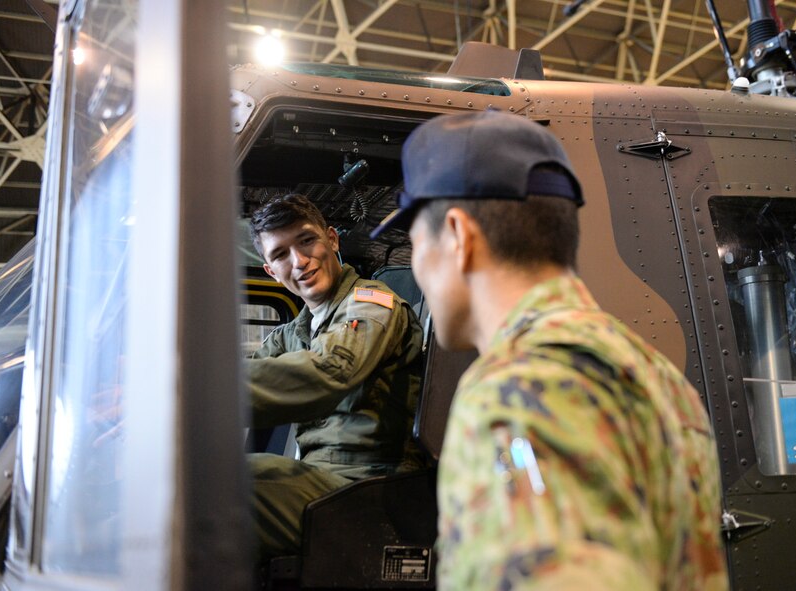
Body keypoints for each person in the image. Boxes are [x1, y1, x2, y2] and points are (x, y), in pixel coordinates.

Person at [371, 110, 728, 590]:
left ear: (458, 236)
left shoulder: (519, 388)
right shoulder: (655, 375)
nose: (415, 268)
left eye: (413, 243)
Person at [247, 194, 424, 563]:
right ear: (270, 272)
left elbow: (331, 370)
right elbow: (239, 386)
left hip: (372, 491)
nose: (299, 261)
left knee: (234, 485)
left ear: (332, 239)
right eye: (280, 255)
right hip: (323, 484)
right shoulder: (291, 334)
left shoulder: (372, 302)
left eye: (307, 240)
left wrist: (182, 394)